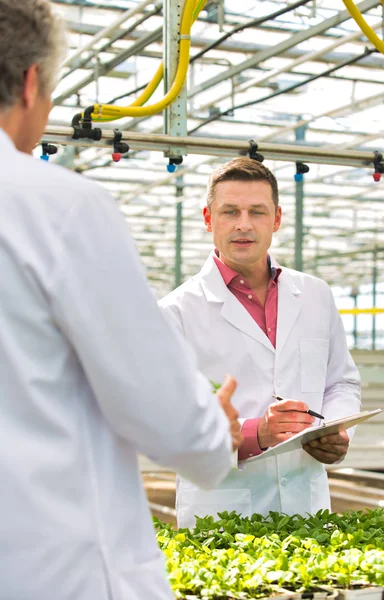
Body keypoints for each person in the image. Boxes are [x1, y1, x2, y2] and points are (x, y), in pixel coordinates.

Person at [0, 2, 243, 599]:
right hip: (53, 567)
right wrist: (217, 432)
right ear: (31, 82)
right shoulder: (54, 207)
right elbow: (158, 407)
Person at [160, 157, 361, 529]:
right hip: (221, 514)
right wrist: (256, 434)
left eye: (257, 211)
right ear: (208, 219)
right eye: (230, 211)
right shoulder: (175, 312)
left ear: (277, 219)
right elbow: (166, 421)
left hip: (308, 506)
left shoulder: (315, 295)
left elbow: (341, 383)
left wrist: (335, 429)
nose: (243, 224)